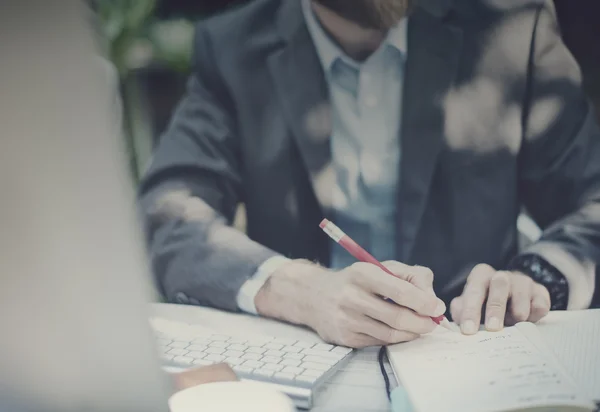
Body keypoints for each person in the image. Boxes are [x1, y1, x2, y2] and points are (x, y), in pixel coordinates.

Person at [139, 0, 600, 347]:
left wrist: (536, 276)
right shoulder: (232, 48)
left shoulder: (512, 26)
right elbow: (169, 216)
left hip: (474, 347)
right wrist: (300, 291)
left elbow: (593, 201)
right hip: (311, 357)